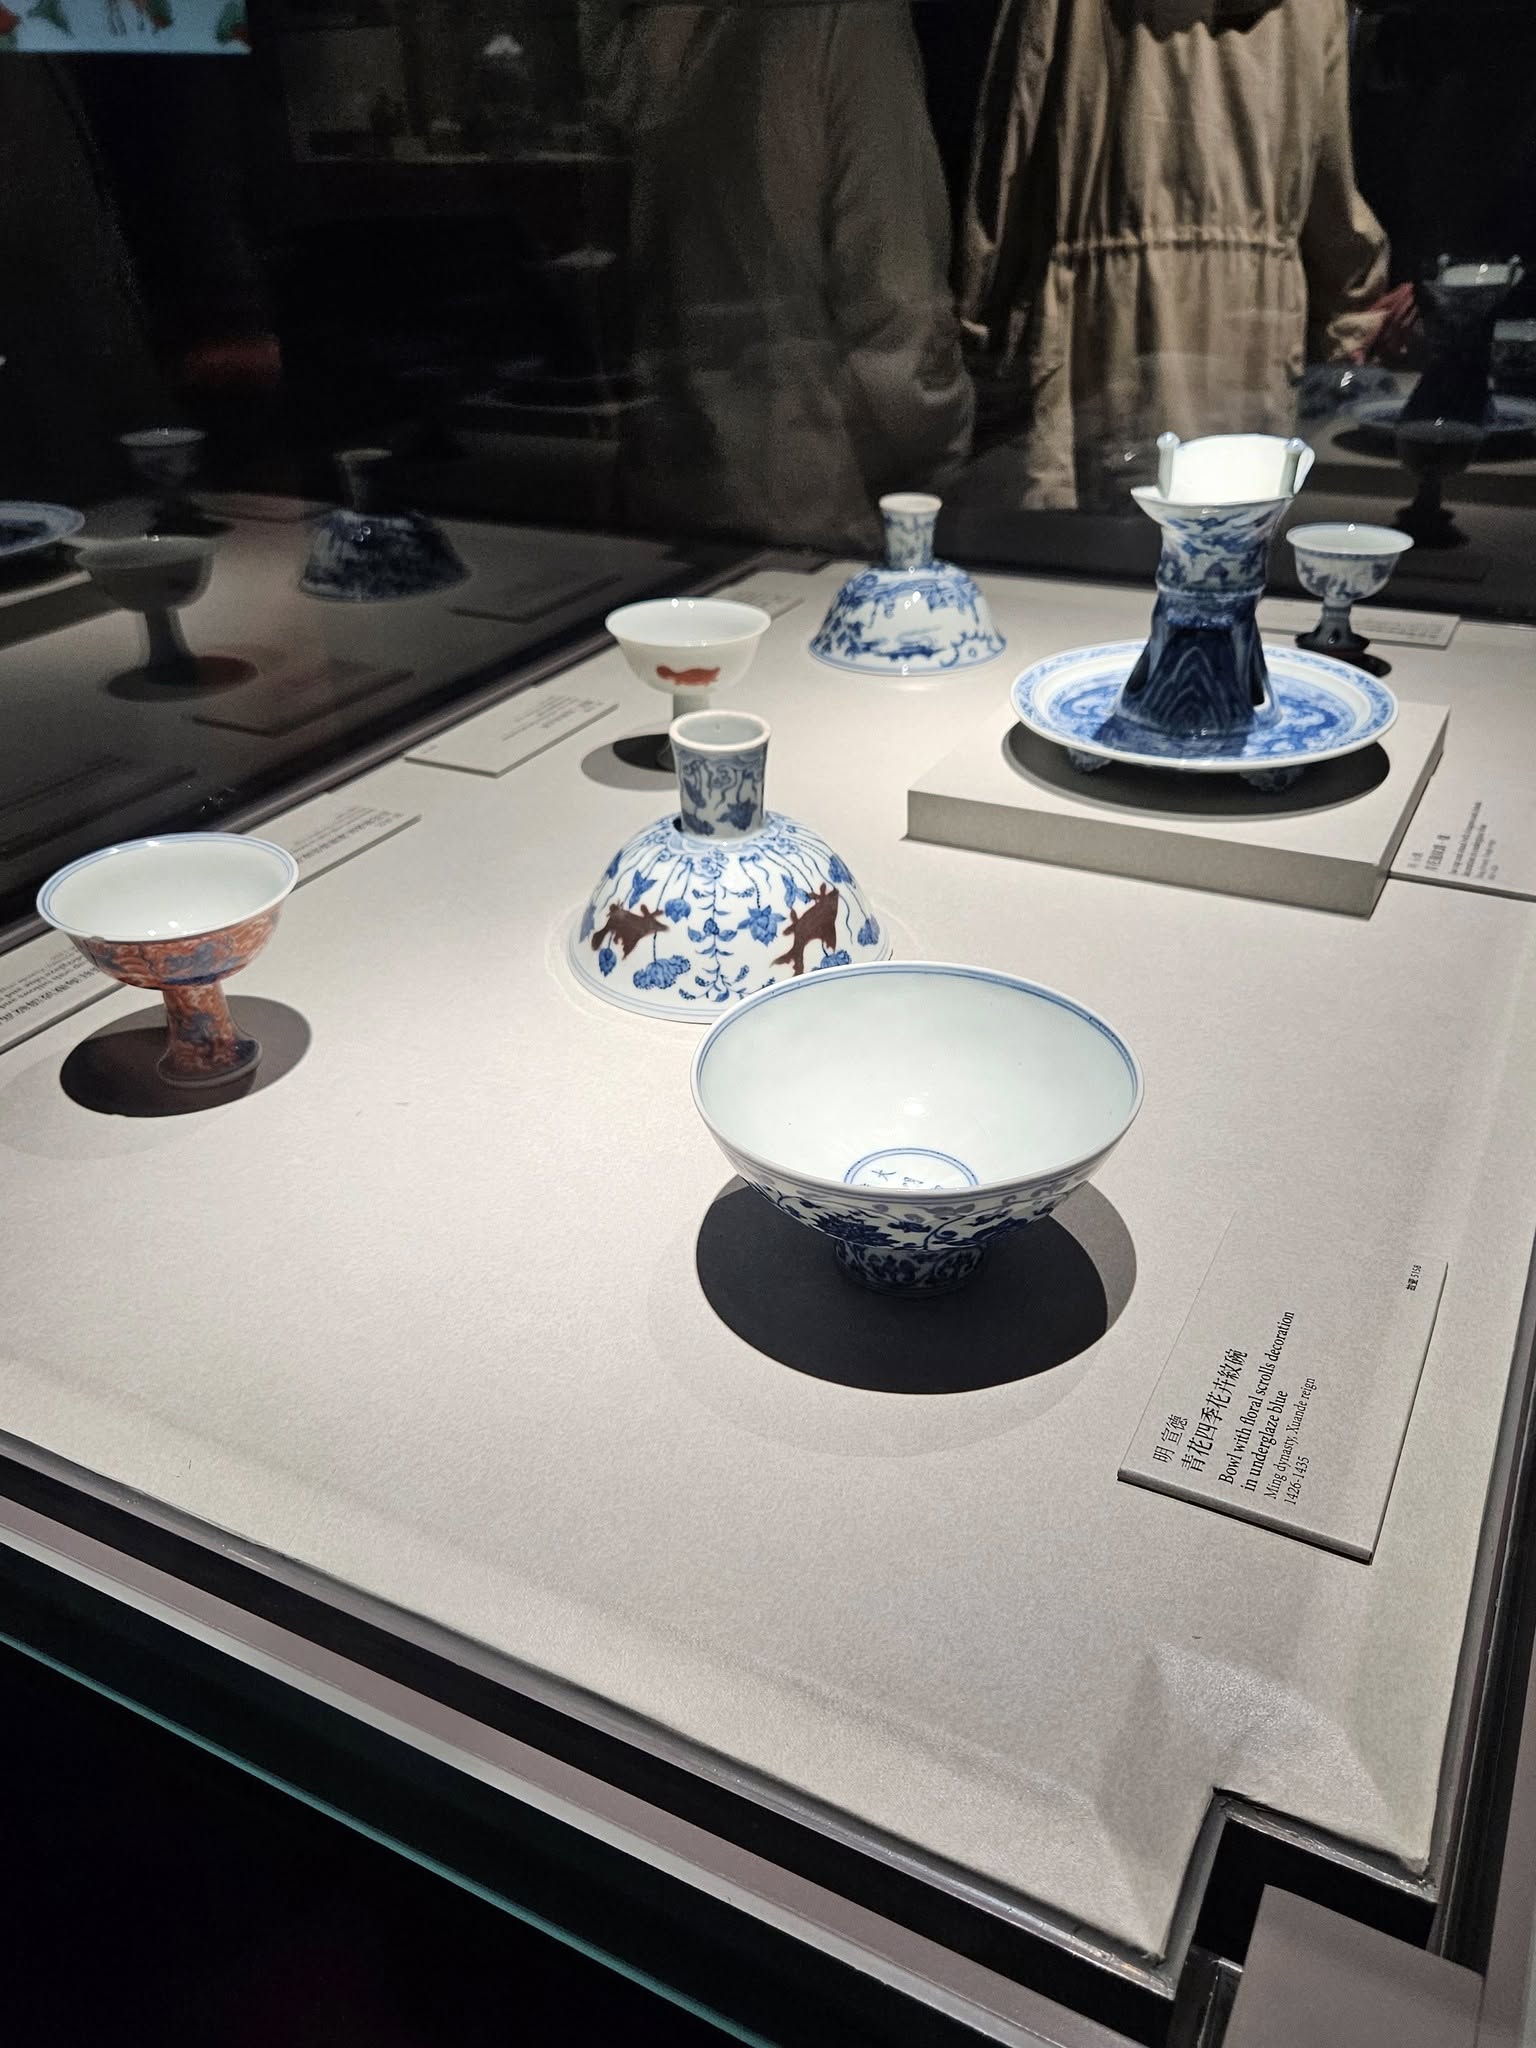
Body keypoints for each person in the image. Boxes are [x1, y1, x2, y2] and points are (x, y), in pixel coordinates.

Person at [959, 0, 1390, 509]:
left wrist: (979, 325)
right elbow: (1330, 178)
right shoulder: (1313, 7)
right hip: (1252, 334)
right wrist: (1351, 309)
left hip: (1099, 332)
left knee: (1093, 544)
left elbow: (1011, 145)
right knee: (1226, 529)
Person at [587, 1, 974, 554]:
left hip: (660, 499)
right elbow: (898, 310)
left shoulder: (641, 24)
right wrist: (947, 466)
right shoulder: (845, 17)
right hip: (809, 513)